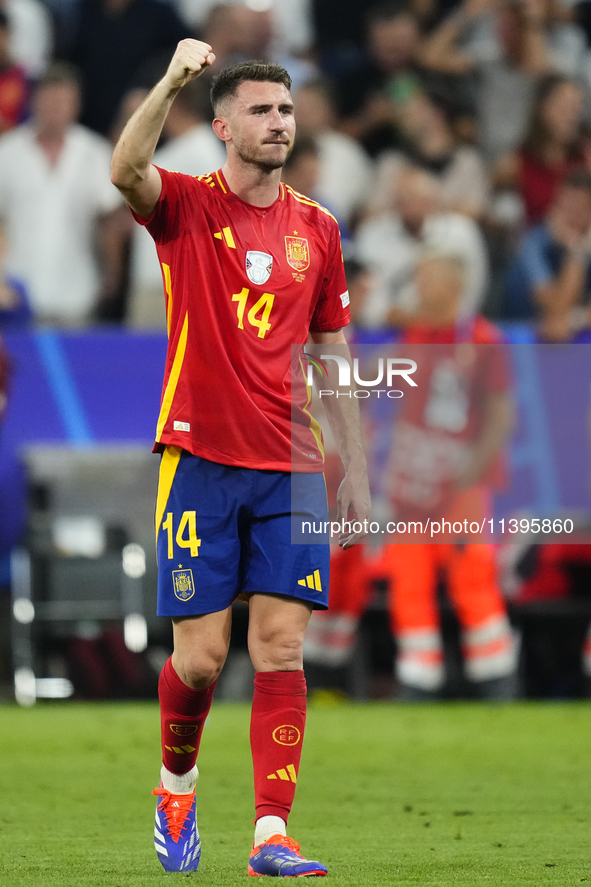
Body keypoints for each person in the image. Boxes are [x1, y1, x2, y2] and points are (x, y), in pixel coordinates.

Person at [110, 40, 370, 877]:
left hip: (293, 461)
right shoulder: (185, 206)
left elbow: (332, 350)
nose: (277, 123)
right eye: (259, 110)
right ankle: (175, 786)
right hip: (199, 454)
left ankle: (270, 833)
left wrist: (355, 464)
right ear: (221, 125)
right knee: (201, 658)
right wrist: (172, 80)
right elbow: (124, 169)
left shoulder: (319, 228)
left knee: (282, 647)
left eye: (285, 110)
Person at [0, 63, 124, 325]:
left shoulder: (95, 153)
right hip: (15, 293)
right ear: (35, 101)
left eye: (64, 101)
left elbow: (109, 220)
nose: (56, 109)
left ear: (76, 105)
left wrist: (113, 274)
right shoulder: (7, 153)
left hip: (77, 292)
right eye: (50, 100)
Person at [504, 171, 591, 338]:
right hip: (522, 337)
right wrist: (576, 252)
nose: (568, 216)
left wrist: (576, 320)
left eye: (578, 209)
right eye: (563, 207)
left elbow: (564, 321)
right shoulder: (533, 244)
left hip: (573, 334)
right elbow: (556, 308)